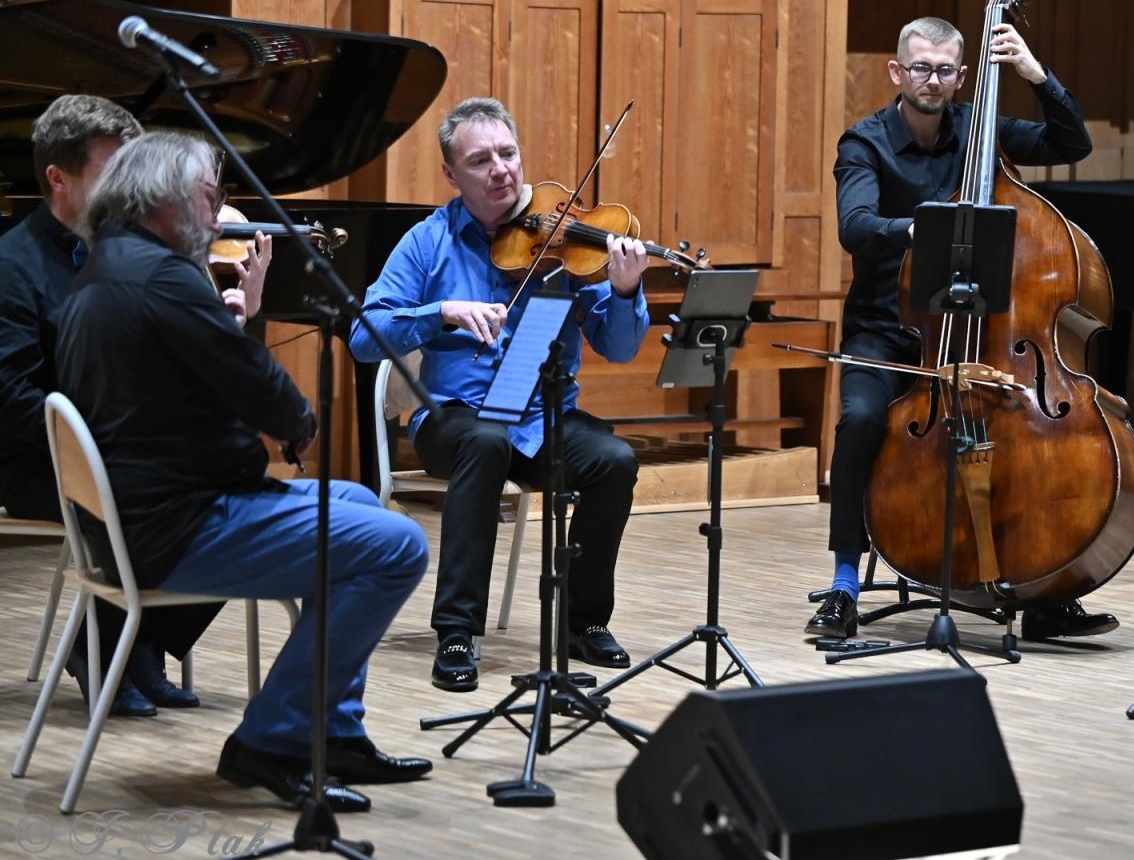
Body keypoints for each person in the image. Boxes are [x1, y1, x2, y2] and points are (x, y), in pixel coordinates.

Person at [55, 131, 432, 811]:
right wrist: (300, 420)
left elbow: (204, 380)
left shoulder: (104, 267)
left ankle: (334, 730)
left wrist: (235, 316)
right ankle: (272, 738)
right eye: (211, 196)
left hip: (141, 517)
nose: (219, 211)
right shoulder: (165, 278)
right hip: (181, 525)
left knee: (360, 502)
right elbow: (265, 391)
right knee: (398, 545)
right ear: (167, 201)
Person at [808, 15, 1121, 642]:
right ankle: (844, 583)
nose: (933, 80)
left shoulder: (982, 132)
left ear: (961, 74)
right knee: (861, 421)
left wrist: (1035, 75)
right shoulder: (864, 144)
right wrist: (917, 230)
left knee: (1024, 441)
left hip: (985, 334)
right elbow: (856, 226)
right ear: (898, 72)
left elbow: (1071, 146)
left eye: (946, 69)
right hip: (890, 330)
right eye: (920, 68)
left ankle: (1039, 583)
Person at [350, 96, 650, 693]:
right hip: (453, 421)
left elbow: (618, 348)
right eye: (481, 159)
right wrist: (442, 313)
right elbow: (364, 336)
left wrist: (623, 292)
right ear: (451, 174)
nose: (501, 170)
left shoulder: (565, 244)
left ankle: (583, 624)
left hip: (543, 419)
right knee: (484, 444)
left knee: (615, 460)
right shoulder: (427, 243)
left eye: (508, 154)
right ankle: (457, 631)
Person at [0, 95, 245, 718]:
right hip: (40, 461)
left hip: (127, 451)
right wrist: (107, 444)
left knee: (238, 482)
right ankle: (108, 645)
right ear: (58, 179)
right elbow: (12, 396)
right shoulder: (12, 265)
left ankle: (140, 641)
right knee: (154, 490)